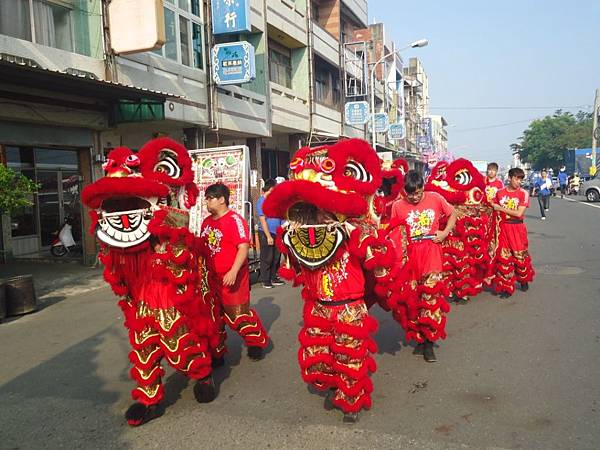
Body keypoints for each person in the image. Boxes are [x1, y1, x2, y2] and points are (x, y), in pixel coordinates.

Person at [390, 170, 457, 363]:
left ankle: (429, 343)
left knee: (430, 298)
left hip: (431, 252)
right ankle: (418, 338)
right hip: (410, 256)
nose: (414, 197)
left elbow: (453, 213)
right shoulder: (397, 206)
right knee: (413, 299)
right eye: (410, 194)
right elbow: (394, 232)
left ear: (422, 187)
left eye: (418, 193)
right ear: (405, 191)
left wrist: (444, 233)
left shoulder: (435, 198)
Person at [200, 183, 270, 361]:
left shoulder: (235, 220)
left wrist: (233, 271)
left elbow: (243, 247)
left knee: (238, 315)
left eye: (210, 198)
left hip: (233, 278)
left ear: (222, 199)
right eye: (206, 198)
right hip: (211, 279)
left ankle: (255, 341)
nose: (206, 202)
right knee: (213, 317)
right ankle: (217, 352)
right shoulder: (206, 222)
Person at [488, 167, 535, 298]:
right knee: (504, 258)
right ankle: (506, 287)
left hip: (517, 228)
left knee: (519, 256)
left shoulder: (523, 193)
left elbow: (519, 213)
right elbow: (492, 209)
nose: (519, 181)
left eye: (521, 179)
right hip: (503, 228)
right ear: (509, 178)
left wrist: (500, 208)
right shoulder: (499, 193)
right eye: (516, 178)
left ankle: (523, 279)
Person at [256, 179, 284, 288]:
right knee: (267, 256)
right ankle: (265, 279)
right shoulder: (261, 201)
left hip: (277, 232)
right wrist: (268, 236)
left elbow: (281, 216)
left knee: (276, 256)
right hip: (266, 232)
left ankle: (273, 276)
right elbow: (263, 220)